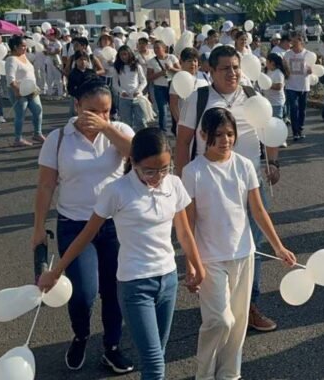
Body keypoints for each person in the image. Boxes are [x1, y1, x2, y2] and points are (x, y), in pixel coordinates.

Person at [39, 127, 204, 380]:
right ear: (133, 162)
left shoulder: (174, 184)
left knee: (159, 353)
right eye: (150, 171)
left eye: (164, 169)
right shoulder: (116, 191)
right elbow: (85, 235)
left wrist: (197, 266)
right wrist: (56, 271)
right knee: (154, 365)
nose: (158, 177)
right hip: (135, 284)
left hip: (168, 280)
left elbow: (183, 232)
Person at [182, 108, 295, 380]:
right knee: (219, 320)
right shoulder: (192, 171)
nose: (225, 140)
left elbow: (257, 211)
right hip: (209, 259)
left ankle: (230, 374)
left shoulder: (244, 165)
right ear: (203, 135)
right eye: (218, 134)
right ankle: (204, 373)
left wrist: (278, 247)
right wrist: (190, 264)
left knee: (238, 323)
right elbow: (189, 223)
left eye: (230, 134)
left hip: (244, 254)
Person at [175, 45, 282, 333]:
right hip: (209, 183)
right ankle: (214, 298)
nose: (233, 72)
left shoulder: (251, 96)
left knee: (251, 245)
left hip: (248, 181)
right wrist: (181, 185)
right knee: (209, 243)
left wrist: (273, 162)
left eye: (236, 67)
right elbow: (183, 142)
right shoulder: (198, 99)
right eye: (225, 68)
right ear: (210, 71)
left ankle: (249, 304)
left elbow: (268, 129)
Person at [32, 79, 135, 373]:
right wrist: (38, 227)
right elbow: (45, 185)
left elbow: (139, 155)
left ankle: (112, 346)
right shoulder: (59, 138)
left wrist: (107, 128)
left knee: (113, 291)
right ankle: (80, 335)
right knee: (83, 292)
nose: (99, 117)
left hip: (115, 224)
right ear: (77, 106)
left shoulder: (118, 131)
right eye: (92, 111)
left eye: (106, 111)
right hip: (74, 224)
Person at [5, 36, 44, 147]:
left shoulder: (23, 56)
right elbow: (10, 79)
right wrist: (17, 91)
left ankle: (37, 133)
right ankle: (18, 139)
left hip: (31, 89)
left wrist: (35, 87)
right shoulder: (11, 59)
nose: (25, 48)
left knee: (38, 110)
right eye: (22, 46)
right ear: (15, 47)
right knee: (20, 115)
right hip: (19, 91)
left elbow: (29, 73)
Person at [169, 47, 209, 126]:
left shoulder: (204, 76)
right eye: (189, 61)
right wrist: (180, 123)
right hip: (186, 123)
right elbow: (173, 104)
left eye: (195, 61)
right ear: (182, 62)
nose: (193, 64)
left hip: (204, 122)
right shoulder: (178, 79)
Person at [284, 31, 312, 141]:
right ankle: (295, 131)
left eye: (296, 41)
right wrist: (285, 72)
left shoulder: (307, 54)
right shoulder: (287, 54)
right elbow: (284, 67)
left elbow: (312, 66)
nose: (293, 43)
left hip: (303, 85)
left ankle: (300, 128)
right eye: (292, 41)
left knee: (302, 109)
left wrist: (310, 71)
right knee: (294, 108)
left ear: (301, 41)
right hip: (291, 85)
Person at [147, 40, 180, 132]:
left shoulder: (172, 58)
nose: (156, 50)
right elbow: (149, 77)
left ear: (164, 48)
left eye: (158, 48)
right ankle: (163, 131)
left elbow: (180, 71)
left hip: (172, 86)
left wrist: (171, 69)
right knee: (163, 110)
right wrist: (160, 73)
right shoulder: (151, 61)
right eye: (154, 48)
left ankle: (175, 128)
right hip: (159, 87)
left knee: (174, 108)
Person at [112, 46, 147, 131]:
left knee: (141, 121)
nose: (123, 57)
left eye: (125, 54)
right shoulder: (117, 67)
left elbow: (143, 81)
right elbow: (115, 84)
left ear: (129, 54)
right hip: (124, 99)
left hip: (137, 98)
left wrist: (138, 91)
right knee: (126, 123)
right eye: (121, 55)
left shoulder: (137, 66)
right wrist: (122, 91)